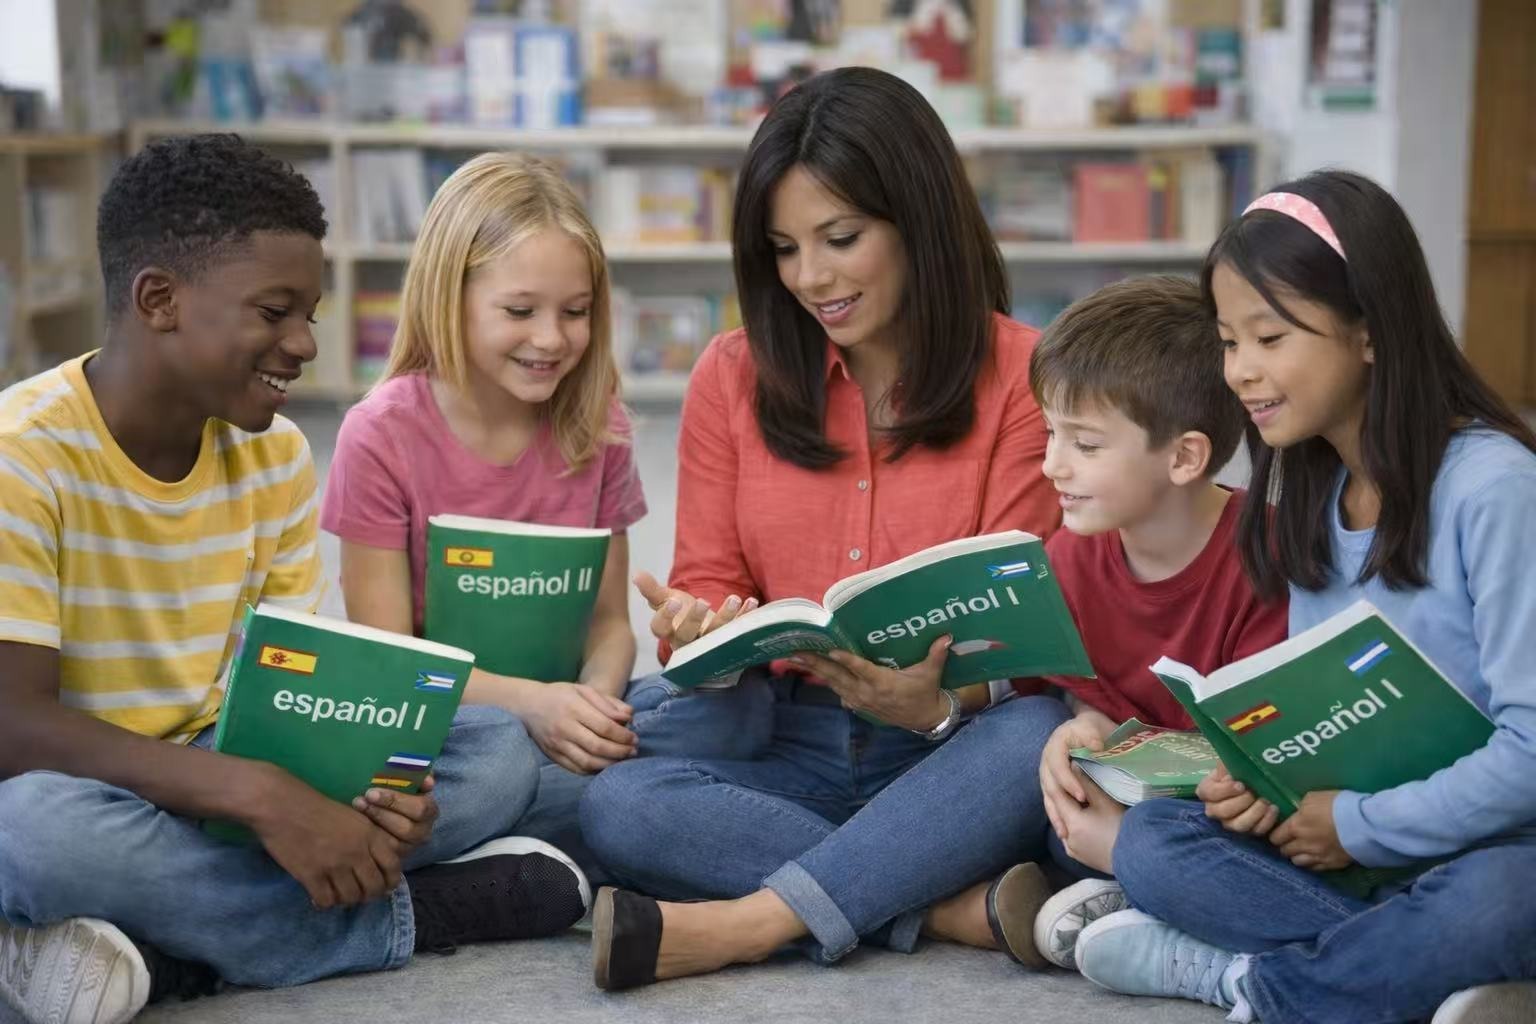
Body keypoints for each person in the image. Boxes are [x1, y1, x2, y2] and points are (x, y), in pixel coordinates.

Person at [0, 135, 586, 1024]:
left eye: (307, 311)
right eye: (275, 311)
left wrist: (362, 792)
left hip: (220, 767)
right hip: (90, 782)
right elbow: (14, 728)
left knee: (498, 753)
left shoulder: (273, 454)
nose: (305, 343)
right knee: (31, 833)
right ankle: (408, 919)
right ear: (158, 299)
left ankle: (165, 943)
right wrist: (264, 798)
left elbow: (284, 691)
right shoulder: (21, 455)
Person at [578, 66, 1069, 990]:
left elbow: (1026, 640)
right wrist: (701, 631)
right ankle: (939, 903)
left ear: (918, 219)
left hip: (953, 749)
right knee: (621, 805)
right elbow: (710, 584)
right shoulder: (731, 376)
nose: (812, 278)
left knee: (1039, 733)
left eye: (840, 239)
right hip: (783, 738)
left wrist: (931, 706)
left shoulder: (1025, 376)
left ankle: (746, 925)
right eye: (785, 248)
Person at [1071, 171, 1536, 1024]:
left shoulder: (1494, 489)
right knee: (1155, 840)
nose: (1242, 372)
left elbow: (1533, 750)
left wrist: (1357, 825)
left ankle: (1245, 983)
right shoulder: (1314, 501)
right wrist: (1259, 787)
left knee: (1500, 901)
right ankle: (1421, 973)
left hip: (1492, 849)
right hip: (1361, 855)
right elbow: (1319, 726)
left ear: (1367, 330)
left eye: (1270, 337)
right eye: (1228, 341)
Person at [321, 152, 764, 876]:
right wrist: (534, 706)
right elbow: (390, 665)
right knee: (497, 762)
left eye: (576, 312)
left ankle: (511, 842)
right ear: (448, 297)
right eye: (520, 311)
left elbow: (610, 628)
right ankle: (574, 832)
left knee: (741, 712)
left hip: (561, 717)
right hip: (448, 729)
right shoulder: (381, 434)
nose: (552, 338)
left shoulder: (600, 427)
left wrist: (589, 711)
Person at [920, 275, 1287, 970]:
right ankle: (1132, 895)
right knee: (1054, 805)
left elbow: (1271, 755)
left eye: (1085, 445)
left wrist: (1142, 827)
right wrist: (1082, 726)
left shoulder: (1265, 557)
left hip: (1234, 818)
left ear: (1184, 457)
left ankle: (1157, 913)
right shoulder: (1071, 557)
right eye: (1051, 433)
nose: (1053, 465)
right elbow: (1088, 688)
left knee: (1154, 842)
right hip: (1133, 804)